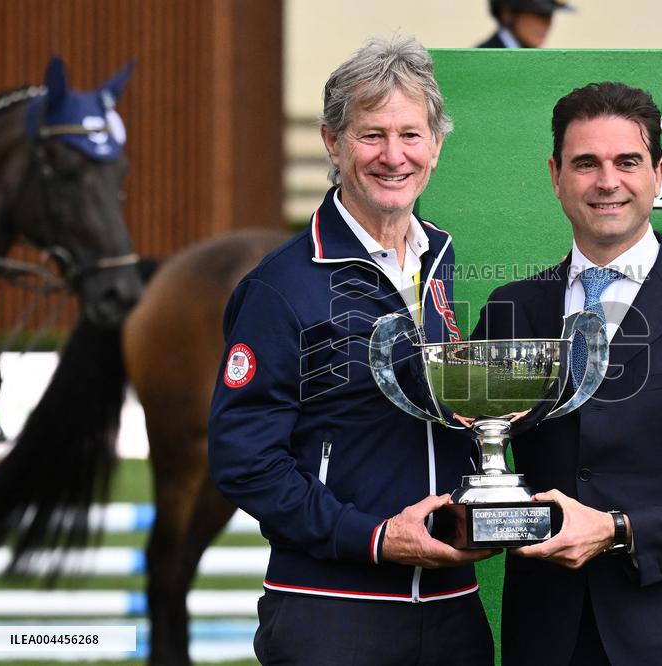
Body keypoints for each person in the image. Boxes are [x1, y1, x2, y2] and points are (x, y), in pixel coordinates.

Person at [472, 81, 662, 665]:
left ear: (659, 174)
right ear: (556, 175)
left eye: (628, 162)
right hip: (550, 637)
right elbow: (473, 453)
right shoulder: (512, 308)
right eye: (585, 163)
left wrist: (618, 529)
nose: (607, 181)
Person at [208, 36, 496, 666]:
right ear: (333, 143)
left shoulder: (439, 260)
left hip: (453, 608)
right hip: (333, 613)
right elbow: (243, 459)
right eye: (372, 135)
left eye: (411, 135)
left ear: (436, 145)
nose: (394, 155)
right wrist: (372, 538)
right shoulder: (281, 286)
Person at [477, 0, 571, 49]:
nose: (547, 23)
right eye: (539, 14)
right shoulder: (481, 60)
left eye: (550, 15)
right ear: (507, 13)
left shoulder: (534, 60)